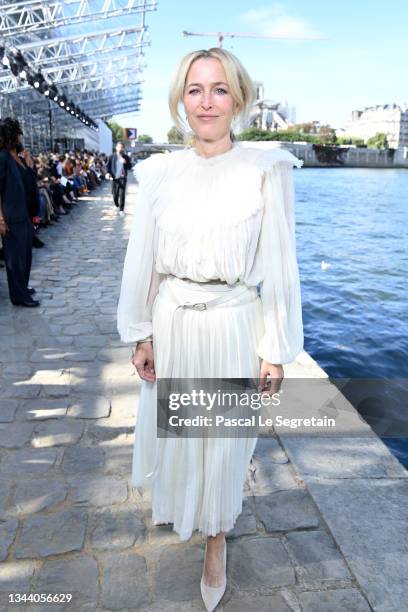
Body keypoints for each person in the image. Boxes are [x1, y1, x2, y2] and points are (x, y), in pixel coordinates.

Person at [117, 48, 304, 611]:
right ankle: (195, 515)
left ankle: (216, 541)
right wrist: (142, 332)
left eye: (219, 89)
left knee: (223, 444)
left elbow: (279, 263)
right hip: (175, 323)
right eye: (195, 89)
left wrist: (273, 348)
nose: (206, 101)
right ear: (180, 99)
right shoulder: (157, 174)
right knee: (184, 437)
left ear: (239, 99)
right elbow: (143, 259)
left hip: (231, 324)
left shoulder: (265, 170)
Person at [0, 117, 39, 307]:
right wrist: (0, 220)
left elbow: (30, 182)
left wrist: (30, 165)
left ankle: (21, 287)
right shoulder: (2, 157)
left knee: (25, 256)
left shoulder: (20, 157)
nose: (20, 137)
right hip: (10, 216)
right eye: (17, 134)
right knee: (15, 259)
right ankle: (19, 296)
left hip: (24, 213)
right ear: (10, 136)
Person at [106, 141, 132, 216]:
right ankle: (117, 204)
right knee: (115, 194)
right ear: (116, 147)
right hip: (114, 178)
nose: (120, 148)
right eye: (119, 147)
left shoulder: (126, 157)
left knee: (122, 194)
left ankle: (121, 209)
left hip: (122, 178)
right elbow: (107, 166)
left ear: (123, 148)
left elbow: (130, 167)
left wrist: (125, 163)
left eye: (122, 147)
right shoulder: (112, 156)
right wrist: (107, 173)